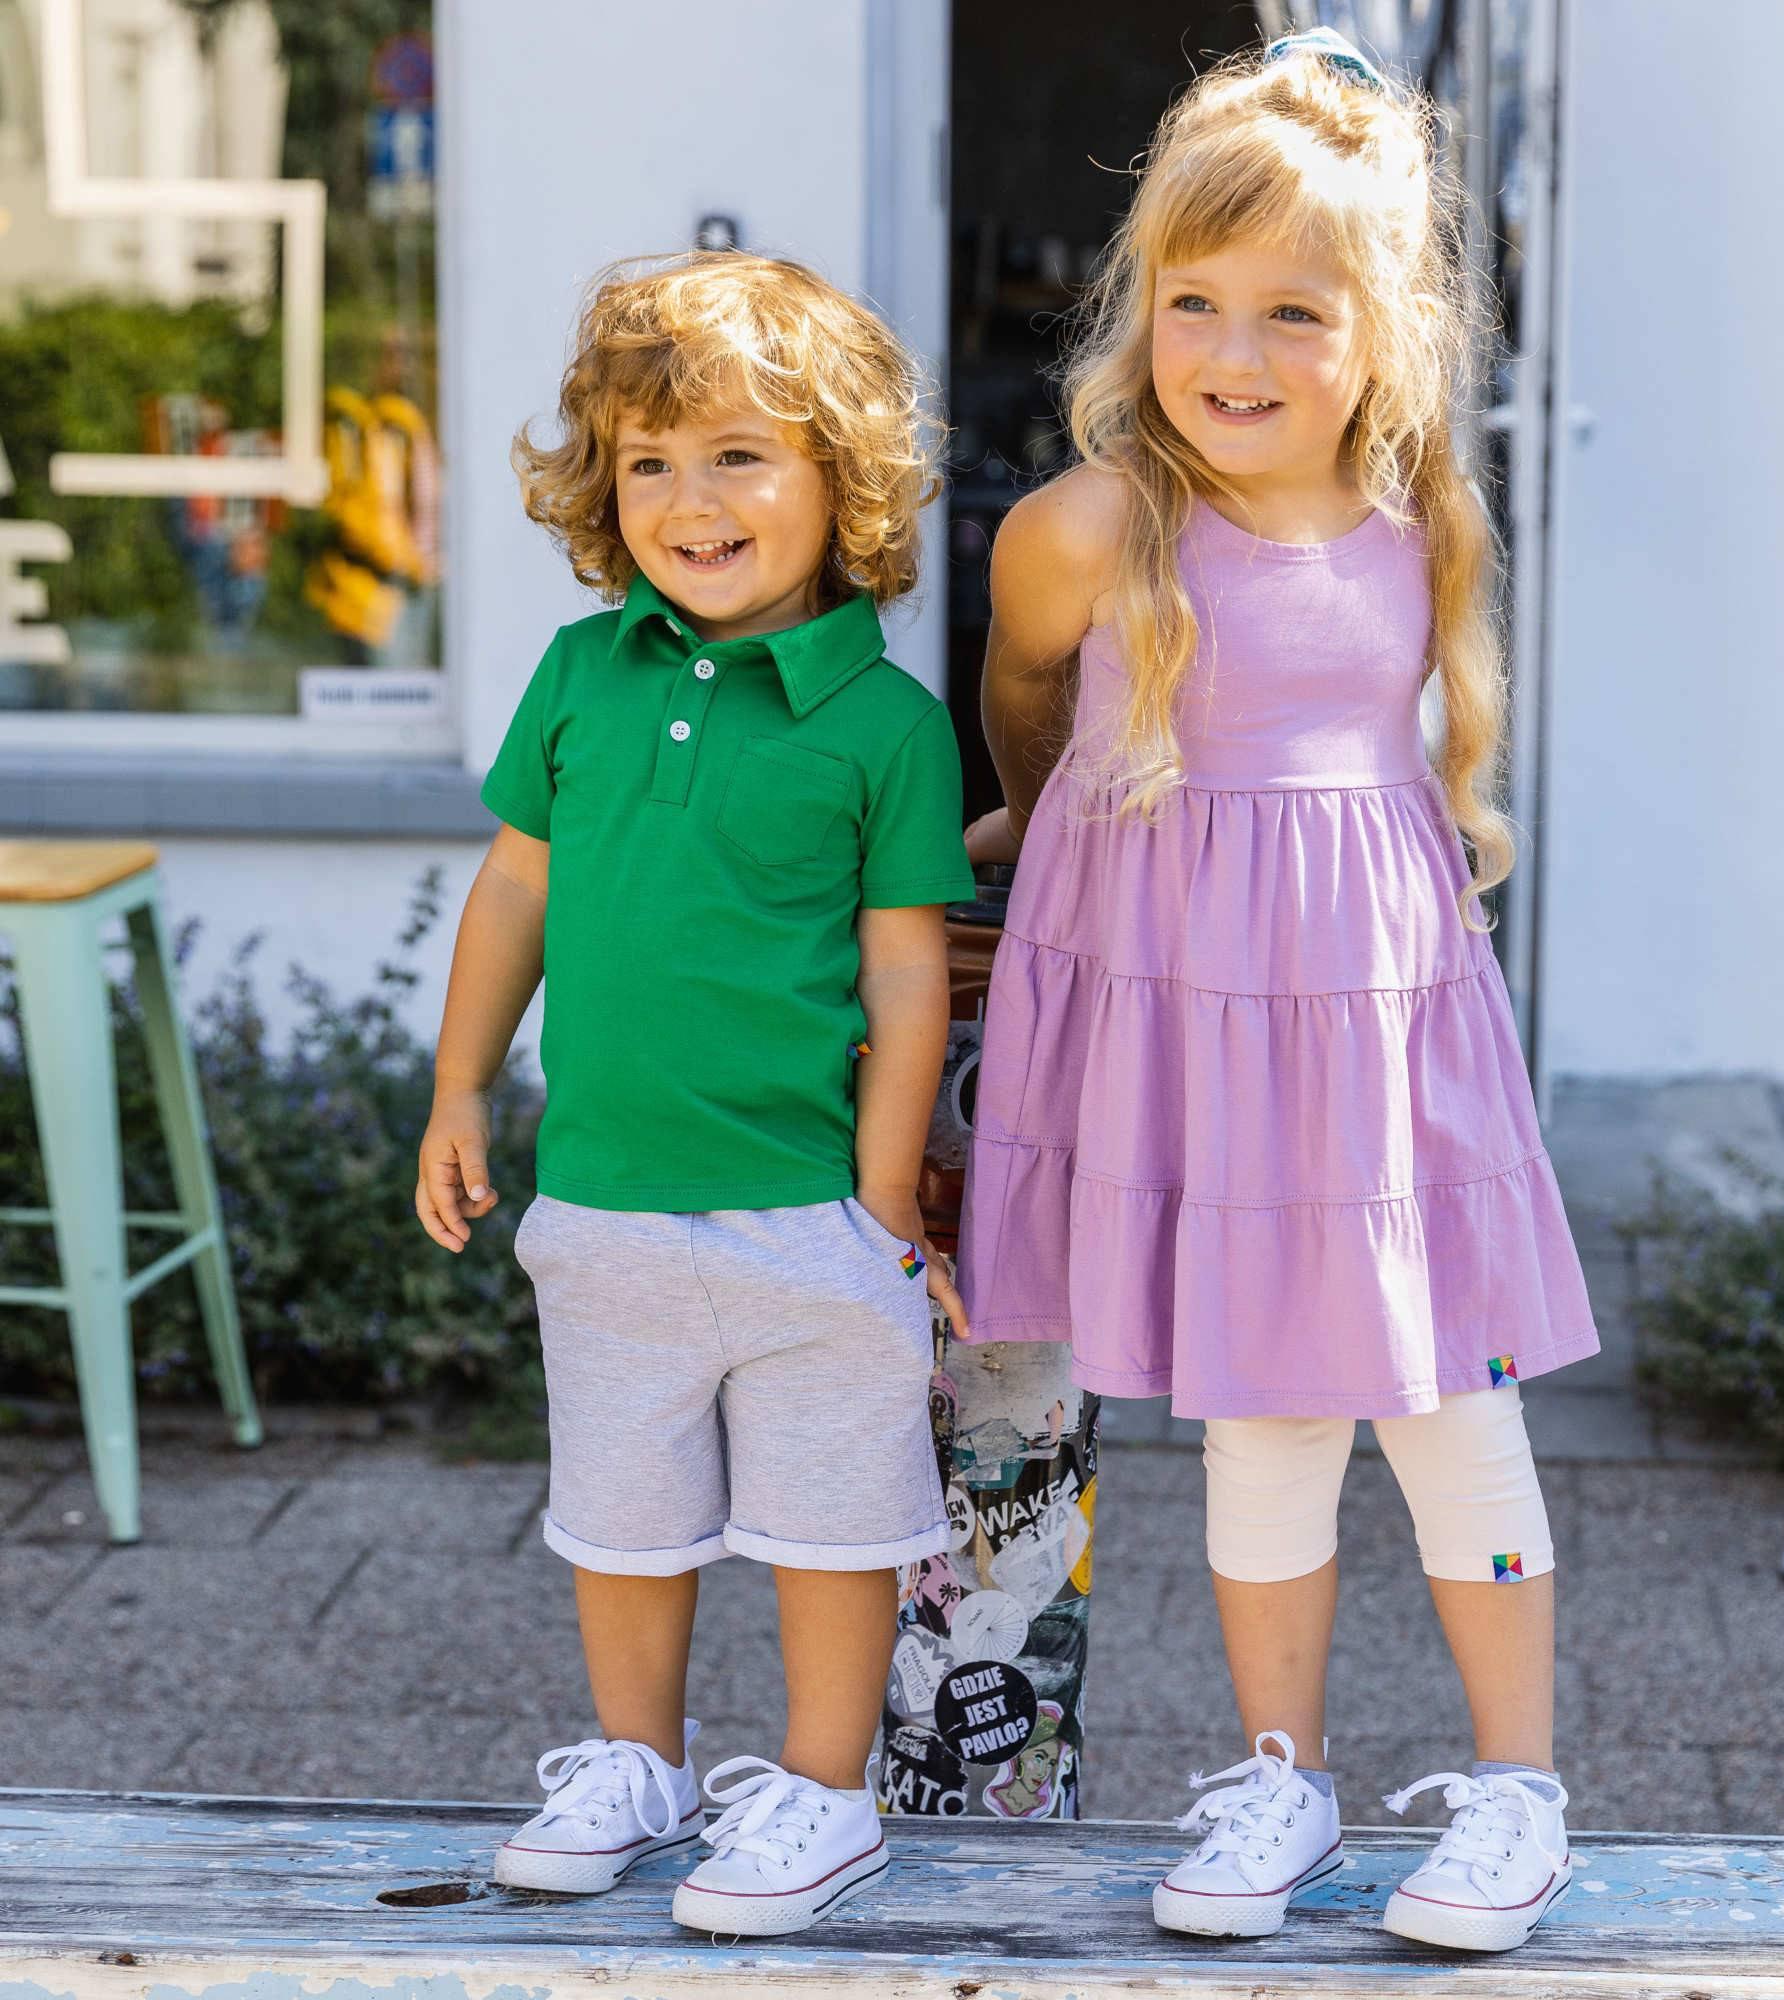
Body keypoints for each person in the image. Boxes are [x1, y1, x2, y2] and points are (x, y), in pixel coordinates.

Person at [957, 28, 1597, 1954]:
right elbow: (1024, 713)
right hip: (1189, 1027)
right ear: (1142, 306)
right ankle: (1279, 1779)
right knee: (1261, 1416)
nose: (1233, 355)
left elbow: (1408, 756)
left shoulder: (1425, 530)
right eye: (1193, 303)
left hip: (1382, 1036)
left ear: (1383, 331)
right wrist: (1023, 840)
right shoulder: (1085, 531)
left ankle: (1517, 1791)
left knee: (1451, 1407)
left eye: (1292, 314)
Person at [415, 251, 975, 1936]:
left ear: (841, 477)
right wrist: (457, 1091)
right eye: (649, 462)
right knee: (623, 1518)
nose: (689, 499)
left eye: (738, 455)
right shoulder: (584, 679)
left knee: (832, 1522)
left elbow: (902, 980)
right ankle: (636, 1765)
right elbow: (514, 893)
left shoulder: (888, 725)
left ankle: (821, 1798)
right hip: (602, 1200)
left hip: (810, 1207)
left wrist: (883, 1202)